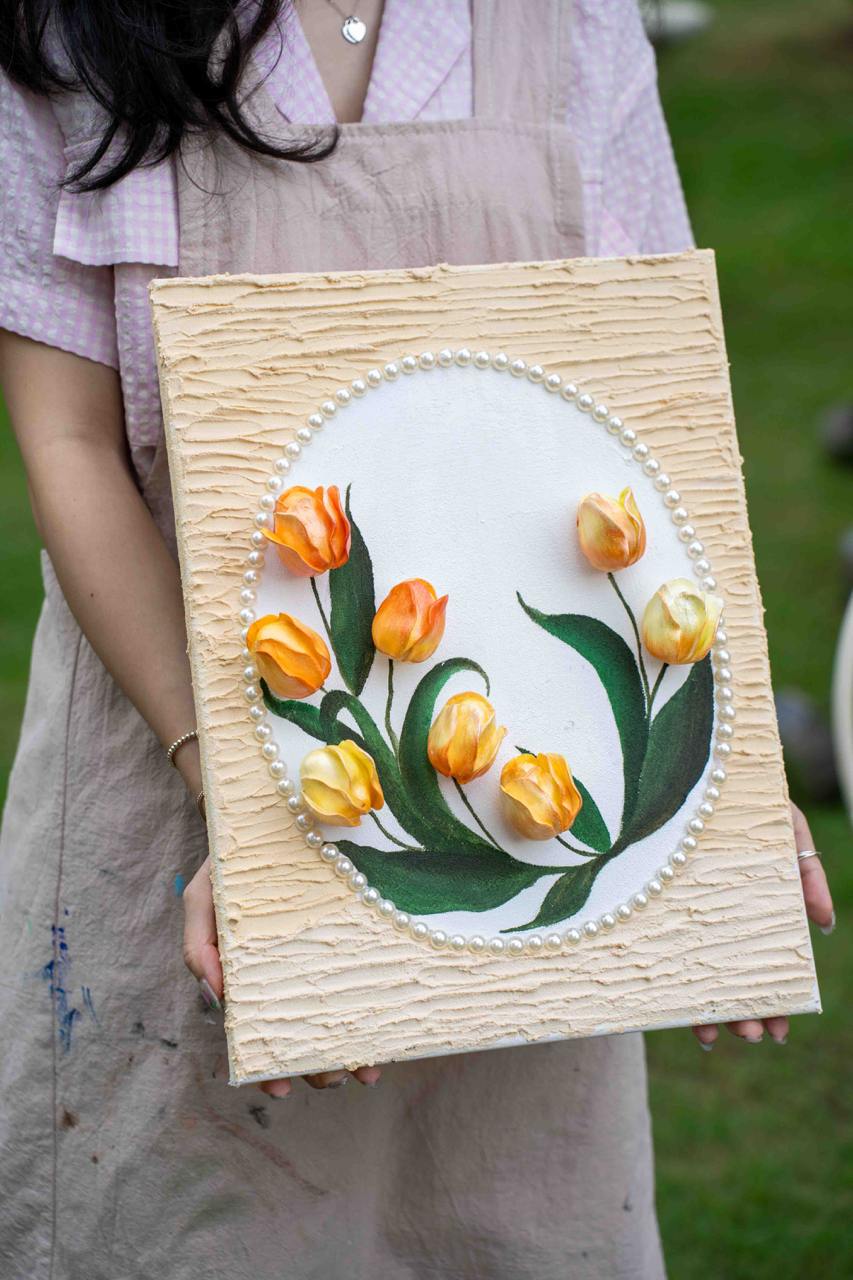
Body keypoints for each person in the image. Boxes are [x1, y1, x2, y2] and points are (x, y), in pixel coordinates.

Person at [0, 2, 835, 1277]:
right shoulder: (66, 27)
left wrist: (712, 800)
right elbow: (69, 439)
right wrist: (250, 805)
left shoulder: (575, 19)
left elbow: (645, 392)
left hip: (521, 835)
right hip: (169, 803)